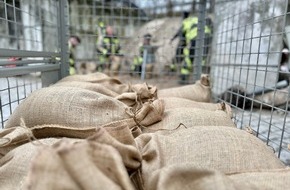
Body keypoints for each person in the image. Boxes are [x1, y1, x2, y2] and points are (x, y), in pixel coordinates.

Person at [175, 12, 212, 84]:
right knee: (202, 59)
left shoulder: (185, 21)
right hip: (207, 37)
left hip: (196, 37)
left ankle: (184, 78)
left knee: (189, 58)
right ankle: (201, 80)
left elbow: (182, 36)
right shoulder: (196, 18)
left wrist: (183, 45)